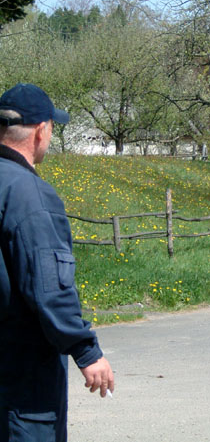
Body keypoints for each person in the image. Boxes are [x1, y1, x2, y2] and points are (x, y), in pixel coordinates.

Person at [0, 83, 114, 442]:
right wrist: (86, 351)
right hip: (20, 378)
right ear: (40, 131)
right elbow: (48, 284)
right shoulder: (29, 194)